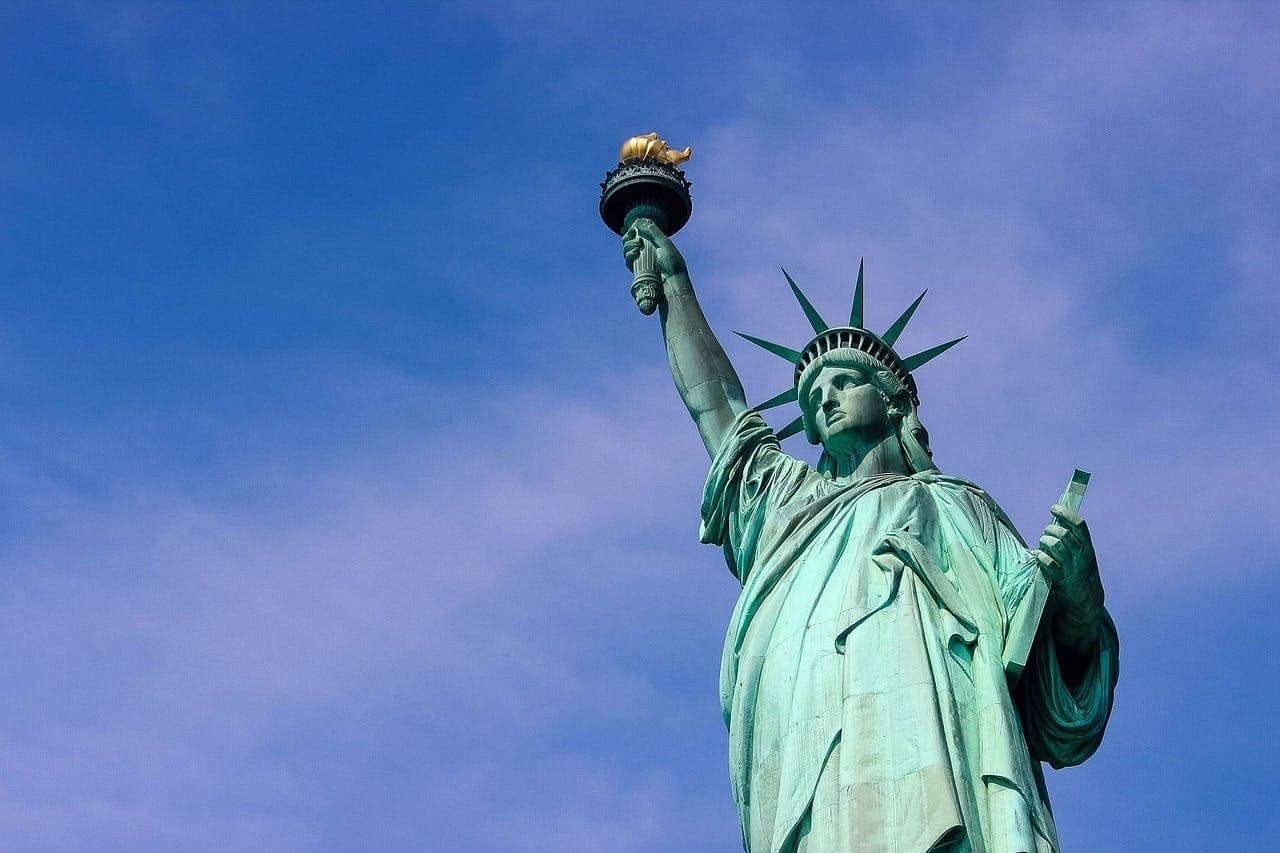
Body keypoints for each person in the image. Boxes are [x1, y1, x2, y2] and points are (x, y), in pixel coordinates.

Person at [622, 218, 1118, 853]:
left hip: (941, 738)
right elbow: (718, 413)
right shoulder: (788, 507)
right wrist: (677, 288)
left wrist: (1078, 600)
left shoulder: (958, 509)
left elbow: (1043, 665)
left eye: (844, 382)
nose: (826, 399)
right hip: (807, 751)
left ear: (893, 402)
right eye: (813, 396)